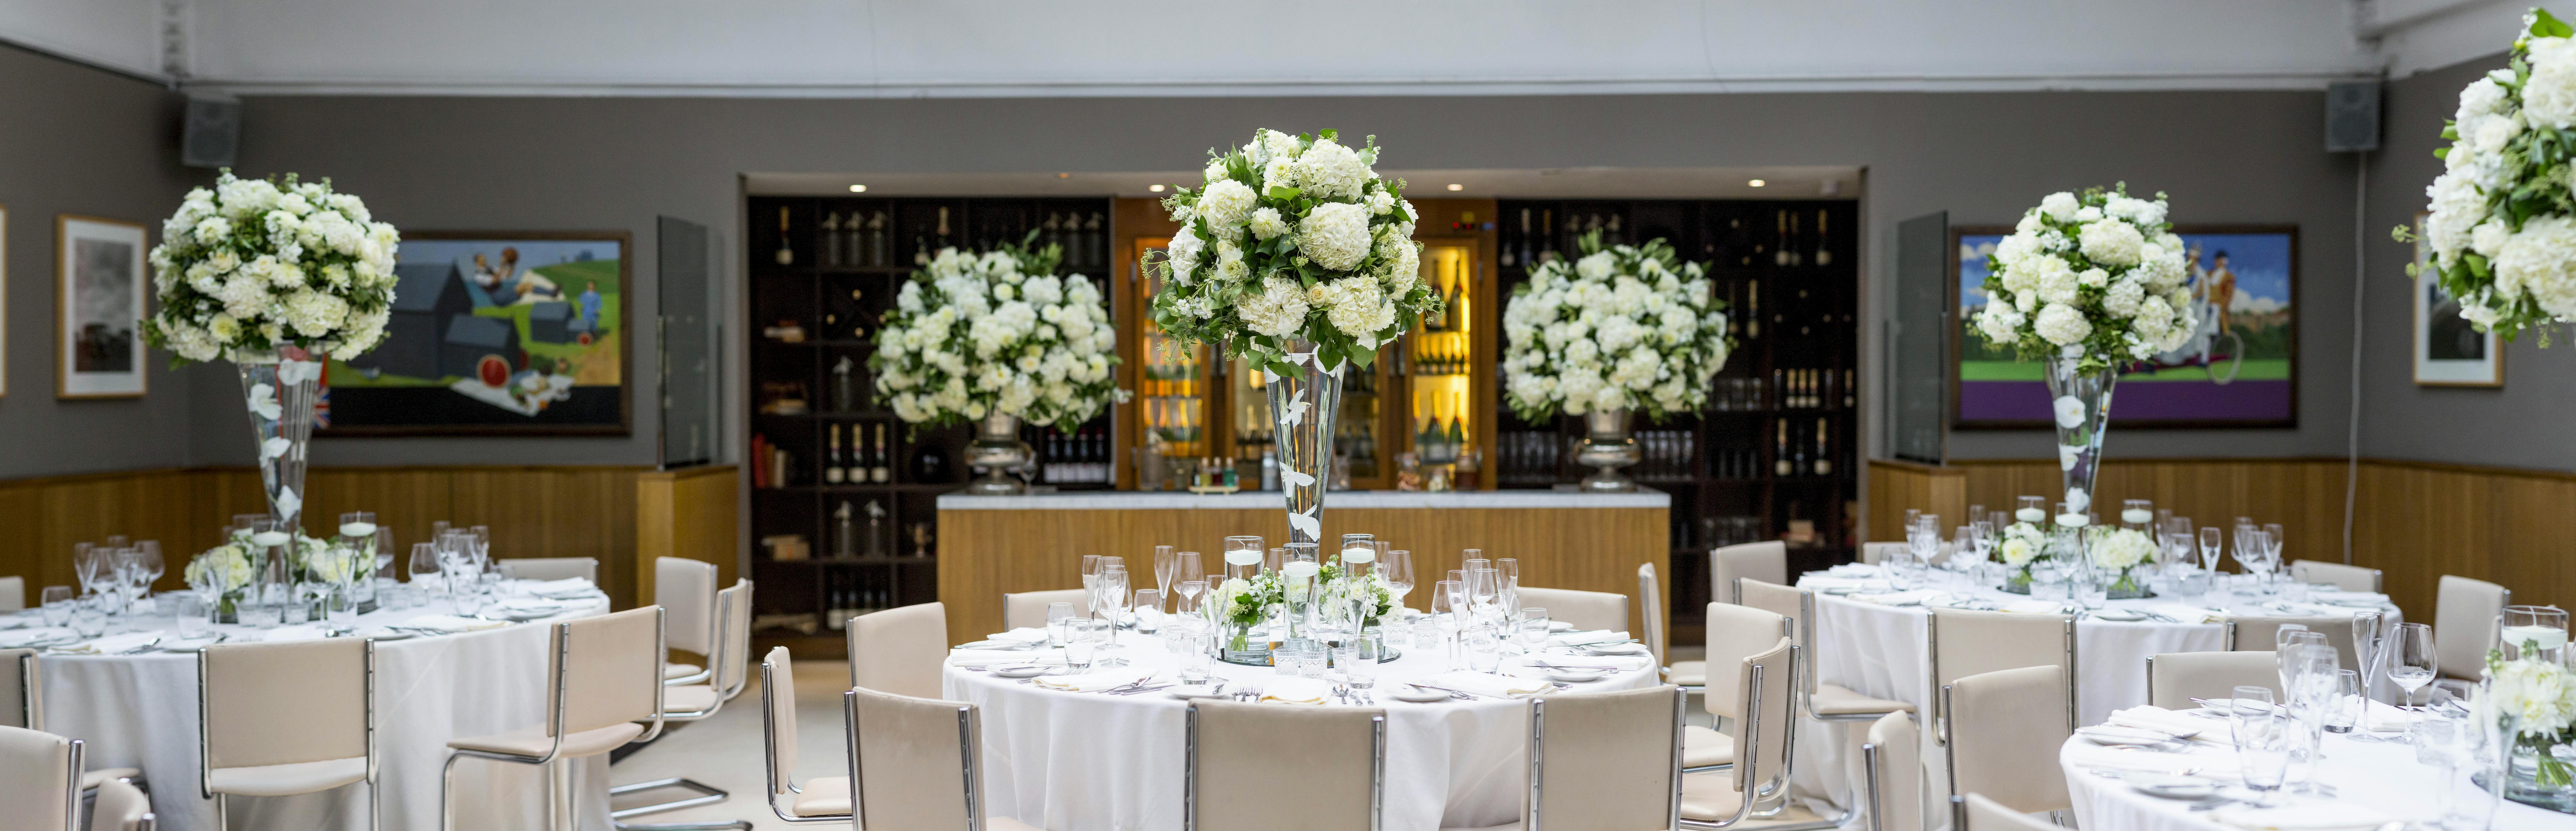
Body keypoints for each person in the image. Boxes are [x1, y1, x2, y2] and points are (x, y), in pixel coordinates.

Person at [2204, 250, 2237, 336]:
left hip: (2219, 309)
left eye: (2219, 260)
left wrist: (2218, 304)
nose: (2217, 262)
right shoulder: (2209, 274)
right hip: (2206, 305)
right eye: (2216, 260)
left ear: (2224, 262)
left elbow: (2228, 295)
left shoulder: (2229, 277)